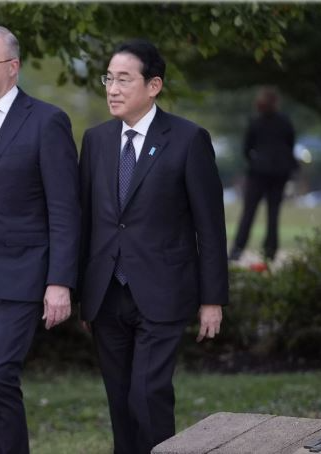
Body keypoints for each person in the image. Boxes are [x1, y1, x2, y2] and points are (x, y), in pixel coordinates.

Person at [78, 39, 228, 454]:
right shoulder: (95, 141)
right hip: (106, 294)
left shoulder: (187, 139)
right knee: (120, 401)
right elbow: (86, 221)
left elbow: (210, 227)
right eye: (108, 78)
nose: (112, 88)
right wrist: (79, 291)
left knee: (148, 395)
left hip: (163, 292)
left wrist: (212, 299)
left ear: (154, 85)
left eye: (124, 79)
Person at [0, 24, 80, 454]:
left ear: (14, 67)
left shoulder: (46, 122)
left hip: (22, 276)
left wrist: (60, 282)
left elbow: (64, 209)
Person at [230, 87, 297, 261]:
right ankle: (270, 250)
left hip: (258, 172)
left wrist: (255, 161)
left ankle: (238, 249)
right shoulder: (285, 122)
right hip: (280, 172)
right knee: (273, 213)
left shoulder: (256, 122)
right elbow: (290, 145)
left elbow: (247, 148)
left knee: (249, 212)